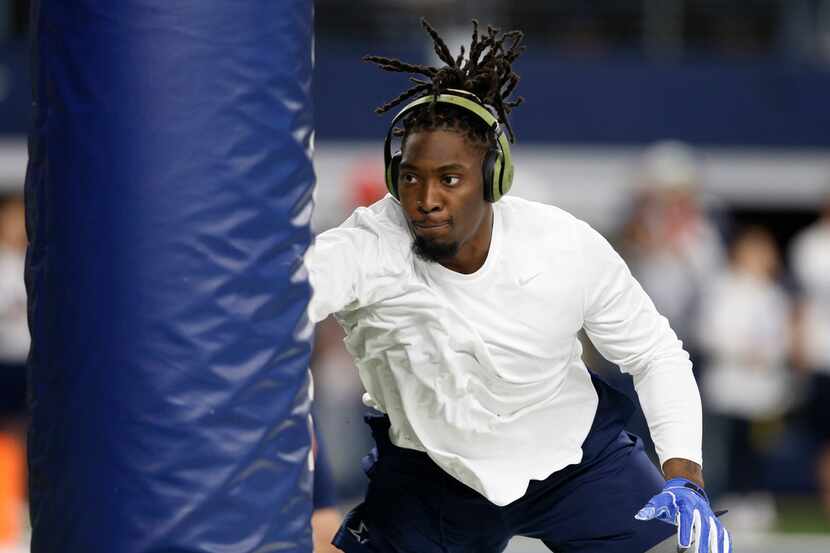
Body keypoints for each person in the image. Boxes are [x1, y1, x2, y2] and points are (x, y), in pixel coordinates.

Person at [305, 19, 731, 553]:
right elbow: (277, 303)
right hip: (432, 475)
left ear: (493, 178)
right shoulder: (367, 244)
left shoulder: (563, 245)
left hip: (577, 462)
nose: (426, 197)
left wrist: (684, 473)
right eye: (410, 176)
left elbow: (655, 353)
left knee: (680, 546)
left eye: (450, 178)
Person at [790, 192, 830, 519]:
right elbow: (801, 303)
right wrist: (799, 347)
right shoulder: (811, 245)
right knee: (824, 435)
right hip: (822, 354)